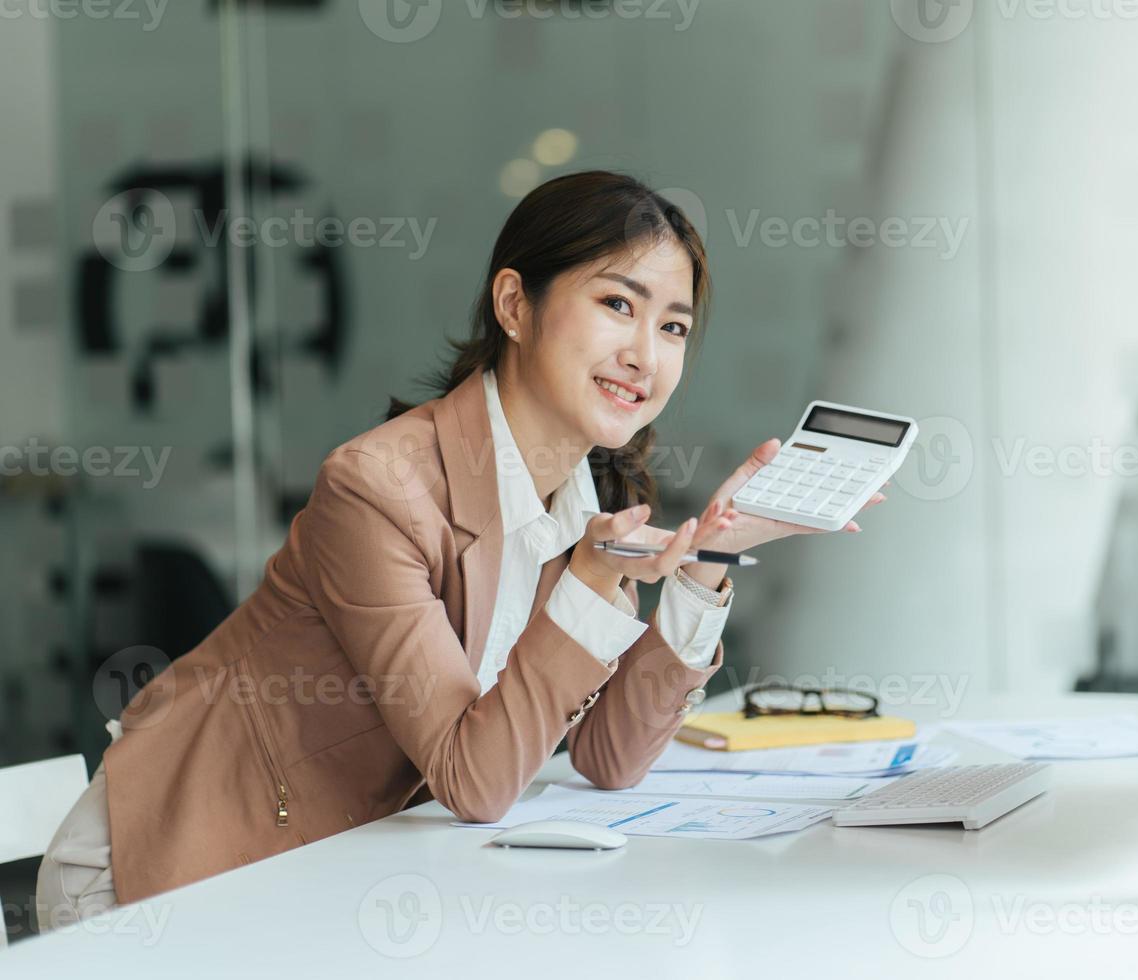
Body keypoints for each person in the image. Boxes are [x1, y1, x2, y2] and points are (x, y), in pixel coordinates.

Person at [36, 170, 884, 925]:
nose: (645, 355)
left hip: (327, 866)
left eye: (673, 327)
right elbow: (472, 781)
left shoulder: (595, 496)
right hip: (164, 863)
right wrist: (588, 587)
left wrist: (710, 563)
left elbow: (610, 757)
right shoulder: (377, 489)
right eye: (617, 304)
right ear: (515, 305)